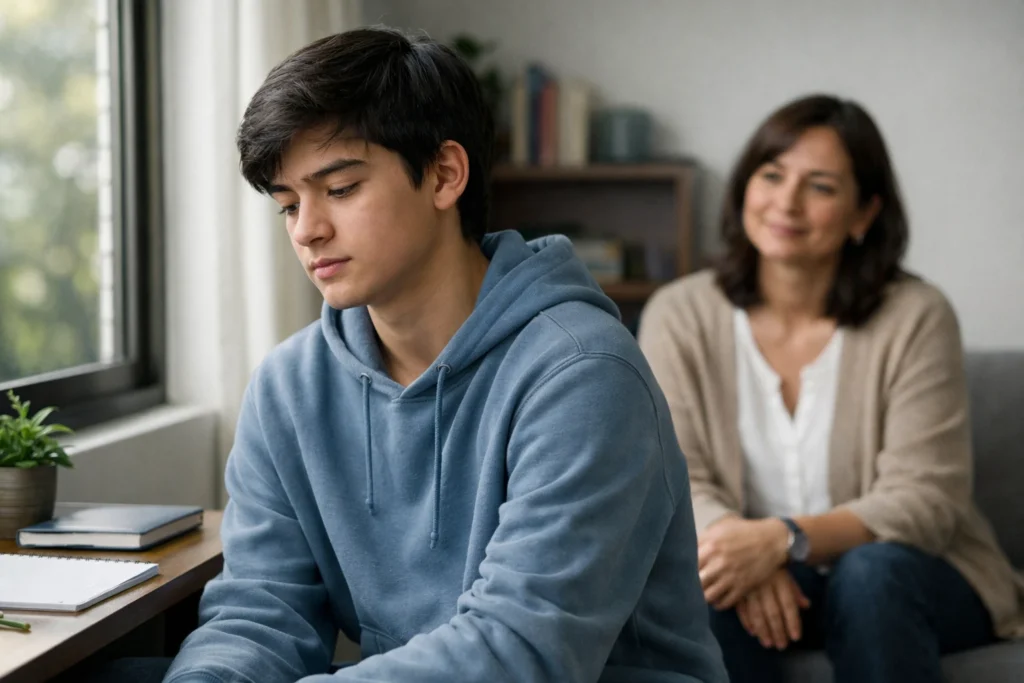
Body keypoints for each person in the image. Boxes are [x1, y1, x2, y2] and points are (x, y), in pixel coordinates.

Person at [83, 26, 727, 683]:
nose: (308, 230)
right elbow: (260, 613)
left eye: (340, 189)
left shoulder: (584, 374)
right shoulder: (288, 386)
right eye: (288, 205)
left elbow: (520, 650)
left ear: (445, 175)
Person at [637, 93, 1024, 683]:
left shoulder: (916, 316)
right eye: (772, 175)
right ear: (745, 188)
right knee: (711, 586)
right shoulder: (679, 314)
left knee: (870, 574)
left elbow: (927, 497)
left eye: (819, 186)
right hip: (759, 572)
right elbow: (673, 473)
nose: (786, 202)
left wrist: (782, 540)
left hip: (912, 576)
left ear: (864, 213)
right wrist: (741, 549)